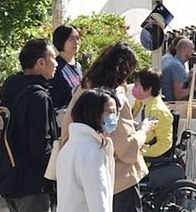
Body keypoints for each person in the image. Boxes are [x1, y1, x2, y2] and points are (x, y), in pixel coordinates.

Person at [63, 42, 153, 212]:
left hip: (80, 174)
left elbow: (67, 128)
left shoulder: (82, 89)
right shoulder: (114, 97)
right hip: (118, 179)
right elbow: (126, 148)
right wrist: (143, 130)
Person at [0, 38, 59, 212]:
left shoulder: (10, 88)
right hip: (33, 186)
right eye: (53, 58)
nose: (56, 63)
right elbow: (40, 144)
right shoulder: (38, 97)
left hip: (9, 177)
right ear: (40, 62)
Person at [57, 87, 117, 212]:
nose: (115, 118)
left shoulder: (68, 146)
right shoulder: (93, 151)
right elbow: (99, 202)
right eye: (111, 112)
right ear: (94, 113)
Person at [131, 70, 174, 160]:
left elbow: (165, 143)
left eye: (136, 85)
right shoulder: (139, 102)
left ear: (148, 89)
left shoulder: (160, 112)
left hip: (141, 159)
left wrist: (141, 152)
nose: (133, 87)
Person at [48, 25, 82, 112]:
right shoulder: (55, 66)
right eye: (71, 39)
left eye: (78, 38)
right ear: (61, 41)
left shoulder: (78, 66)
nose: (76, 42)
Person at [161, 38, 195, 103]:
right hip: (171, 104)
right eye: (192, 49)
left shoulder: (167, 58)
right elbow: (178, 95)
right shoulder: (177, 66)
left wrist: (189, 77)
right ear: (185, 50)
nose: (194, 52)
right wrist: (195, 87)